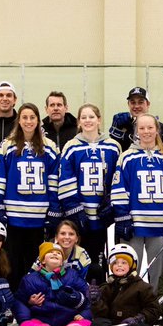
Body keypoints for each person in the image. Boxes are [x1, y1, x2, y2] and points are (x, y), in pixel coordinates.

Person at [109, 114, 163, 285]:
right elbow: (118, 189)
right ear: (136, 131)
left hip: (160, 225)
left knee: (158, 273)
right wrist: (123, 217)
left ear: (157, 130)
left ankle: (156, 308)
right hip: (134, 224)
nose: (146, 131)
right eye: (142, 128)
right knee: (130, 269)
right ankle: (129, 305)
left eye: (150, 127)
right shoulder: (127, 157)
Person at [0, 103, 60, 287]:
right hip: (13, 217)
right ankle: (13, 302)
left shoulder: (49, 147)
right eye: (24, 117)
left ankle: (33, 302)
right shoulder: (7, 145)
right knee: (12, 263)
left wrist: (54, 208)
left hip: (38, 217)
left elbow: (54, 180)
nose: (28, 121)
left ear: (38, 120)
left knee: (35, 264)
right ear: (19, 120)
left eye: (32, 117)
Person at [56, 103, 120, 241]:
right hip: (80, 215)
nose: (87, 120)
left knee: (101, 259)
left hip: (103, 215)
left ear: (99, 119)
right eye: (83, 117)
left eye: (91, 116)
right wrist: (74, 209)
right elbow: (66, 178)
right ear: (79, 121)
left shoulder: (113, 146)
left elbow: (118, 178)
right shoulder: (71, 146)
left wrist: (111, 201)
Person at [11, 241, 91, 326]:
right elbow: (19, 301)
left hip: (68, 320)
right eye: (50, 252)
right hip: (40, 320)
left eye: (58, 253)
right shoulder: (30, 279)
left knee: (86, 323)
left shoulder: (72, 276)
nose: (54, 254)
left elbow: (89, 297)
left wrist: (82, 308)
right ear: (43, 260)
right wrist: (26, 314)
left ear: (62, 262)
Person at [88, 244, 161, 326]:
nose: (119, 266)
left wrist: (140, 318)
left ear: (132, 266)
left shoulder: (143, 287)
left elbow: (154, 309)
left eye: (124, 263)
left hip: (133, 325)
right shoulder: (106, 288)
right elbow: (102, 314)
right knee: (96, 324)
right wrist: (96, 301)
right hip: (113, 324)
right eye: (115, 263)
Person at [52, 218, 97, 284]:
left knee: (96, 269)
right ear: (56, 237)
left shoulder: (81, 253)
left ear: (77, 239)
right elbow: (33, 275)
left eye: (71, 234)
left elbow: (82, 281)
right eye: (63, 233)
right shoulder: (47, 251)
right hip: (48, 288)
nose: (67, 237)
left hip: (72, 288)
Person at [107, 86, 151, 151]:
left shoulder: (157, 127)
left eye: (140, 102)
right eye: (133, 102)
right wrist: (116, 133)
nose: (136, 106)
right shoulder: (125, 126)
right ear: (128, 104)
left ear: (148, 104)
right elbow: (114, 151)